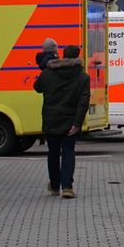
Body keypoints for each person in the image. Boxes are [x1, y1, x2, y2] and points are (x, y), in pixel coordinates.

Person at [33, 44, 90, 198]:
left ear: (63, 56)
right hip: (70, 120)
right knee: (68, 151)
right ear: (78, 57)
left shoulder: (48, 72)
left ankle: (54, 186)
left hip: (51, 119)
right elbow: (83, 102)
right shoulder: (83, 76)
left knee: (53, 153)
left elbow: (37, 87)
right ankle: (67, 187)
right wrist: (77, 124)